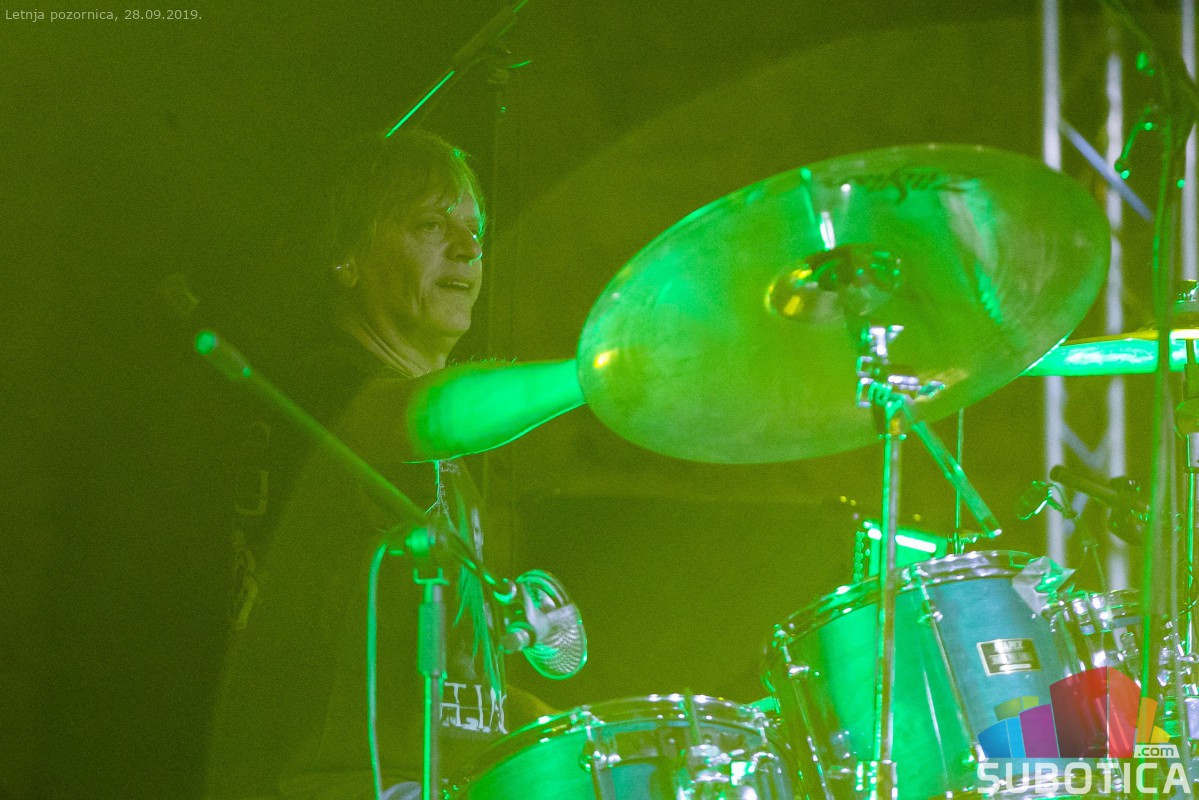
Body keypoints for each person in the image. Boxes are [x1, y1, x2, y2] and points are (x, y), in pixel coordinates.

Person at [204, 129, 584, 800]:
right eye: (431, 225)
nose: (467, 248)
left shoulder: (451, 478)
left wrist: (567, 735)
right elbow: (433, 415)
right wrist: (602, 371)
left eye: (475, 230)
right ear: (347, 258)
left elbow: (446, 701)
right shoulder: (319, 388)